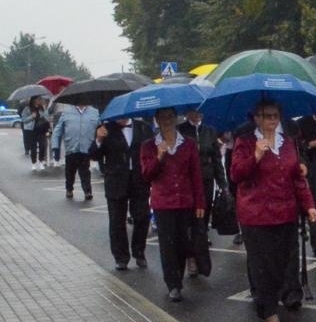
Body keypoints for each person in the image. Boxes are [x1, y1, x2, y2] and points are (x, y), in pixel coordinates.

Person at [232, 100, 316, 322]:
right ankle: (270, 313)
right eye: (267, 116)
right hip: (256, 215)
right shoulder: (245, 142)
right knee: (264, 267)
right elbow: (237, 174)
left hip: (285, 213)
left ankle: (269, 301)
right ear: (257, 118)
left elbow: (296, 178)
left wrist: (309, 205)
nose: (272, 120)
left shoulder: (288, 143)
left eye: (275, 115)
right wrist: (256, 155)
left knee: (281, 265)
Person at [140, 107, 205, 303]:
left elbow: (196, 174)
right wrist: (159, 157)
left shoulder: (189, 144)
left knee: (183, 243)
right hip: (163, 203)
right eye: (162, 117)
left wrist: (200, 202)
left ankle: (178, 274)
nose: (167, 121)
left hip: (185, 201)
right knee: (167, 245)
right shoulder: (149, 146)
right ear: (157, 120)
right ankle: (173, 284)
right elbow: (147, 175)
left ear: (176, 118)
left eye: (170, 117)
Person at [90, 116, 152, 270]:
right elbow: (94, 155)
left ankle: (139, 252)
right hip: (116, 181)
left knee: (142, 217)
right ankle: (121, 257)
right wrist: (99, 139)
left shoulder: (143, 127)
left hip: (139, 180)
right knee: (117, 220)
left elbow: (152, 152)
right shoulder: (106, 129)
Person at [177, 107, 222, 280]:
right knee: (190, 221)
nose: (196, 114)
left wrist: (223, 184)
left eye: (199, 111)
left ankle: (200, 257)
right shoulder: (181, 130)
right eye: (193, 111)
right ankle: (191, 257)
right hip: (187, 182)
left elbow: (216, 159)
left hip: (206, 180)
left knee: (202, 220)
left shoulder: (209, 131)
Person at [53, 102, 100, 202]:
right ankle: (69, 189)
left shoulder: (95, 112)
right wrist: (55, 146)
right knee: (70, 171)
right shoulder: (66, 112)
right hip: (71, 147)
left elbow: (100, 128)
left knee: (85, 171)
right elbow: (58, 130)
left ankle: (87, 191)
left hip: (86, 147)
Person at [25, 95, 51, 172]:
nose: (40, 100)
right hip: (32, 130)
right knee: (33, 148)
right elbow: (23, 120)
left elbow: (47, 118)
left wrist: (46, 116)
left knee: (43, 146)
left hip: (42, 130)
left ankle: (41, 161)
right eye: (38, 99)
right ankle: (34, 163)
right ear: (33, 100)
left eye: (40, 99)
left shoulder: (42, 108)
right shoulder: (27, 109)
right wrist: (31, 117)